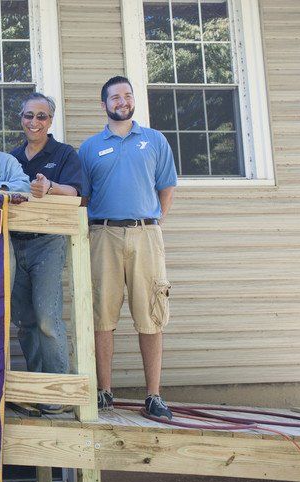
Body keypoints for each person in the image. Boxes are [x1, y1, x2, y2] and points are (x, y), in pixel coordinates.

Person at [79, 75, 177, 419]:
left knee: (151, 312)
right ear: (103, 103)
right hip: (104, 234)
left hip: (146, 234)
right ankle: (104, 391)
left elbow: (166, 186)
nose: (122, 101)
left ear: (133, 100)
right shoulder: (90, 147)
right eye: (115, 97)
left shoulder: (154, 140)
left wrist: (154, 222)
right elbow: (84, 197)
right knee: (102, 314)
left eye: (127, 95)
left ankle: (153, 395)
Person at [8, 93, 87, 415]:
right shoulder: (12, 157)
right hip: (14, 243)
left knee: (47, 319)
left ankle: (59, 393)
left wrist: (51, 187)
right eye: (29, 116)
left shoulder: (65, 154)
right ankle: (38, 391)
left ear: (50, 121)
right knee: (25, 322)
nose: (34, 122)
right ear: (21, 119)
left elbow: (79, 195)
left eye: (41, 116)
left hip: (48, 243)